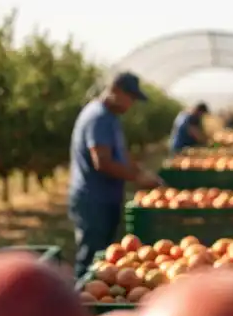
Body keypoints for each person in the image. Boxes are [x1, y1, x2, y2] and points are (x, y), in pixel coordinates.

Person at [67, 71, 164, 280]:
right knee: (91, 261)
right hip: (93, 200)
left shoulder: (109, 117)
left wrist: (139, 170)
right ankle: (82, 304)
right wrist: (136, 178)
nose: (131, 104)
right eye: (130, 97)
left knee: (103, 260)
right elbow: (102, 161)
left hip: (105, 197)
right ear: (115, 91)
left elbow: (119, 154)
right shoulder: (99, 117)